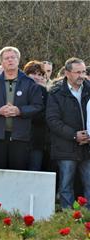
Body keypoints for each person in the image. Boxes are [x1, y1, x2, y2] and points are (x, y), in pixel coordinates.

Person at [0, 46, 43, 170]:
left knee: (18, 173)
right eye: (6, 58)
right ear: (1, 62)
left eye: (13, 57)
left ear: (18, 60)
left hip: (21, 137)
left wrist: (20, 111)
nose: (10, 60)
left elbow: (38, 106)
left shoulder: (29, 83)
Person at [47, 57, 90, 209]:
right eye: (77, 72)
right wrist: (74, 135)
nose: (82, 75)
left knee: (89, 183)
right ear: (67, 73)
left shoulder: (89, 89)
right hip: (65, 147)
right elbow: (53, 120)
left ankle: (86, 219)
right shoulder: (56, 93)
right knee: (66, 185)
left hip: (87, 147)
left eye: (83, 71)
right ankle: (67, 218)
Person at [23, 60, 49, 171]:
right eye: (33, 73)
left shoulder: (45, 92)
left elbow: (47, 113)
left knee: (35, 170)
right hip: (19, 138)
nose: (37, 77)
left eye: (40, 74)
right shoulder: (20, 89)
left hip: (37, 140)